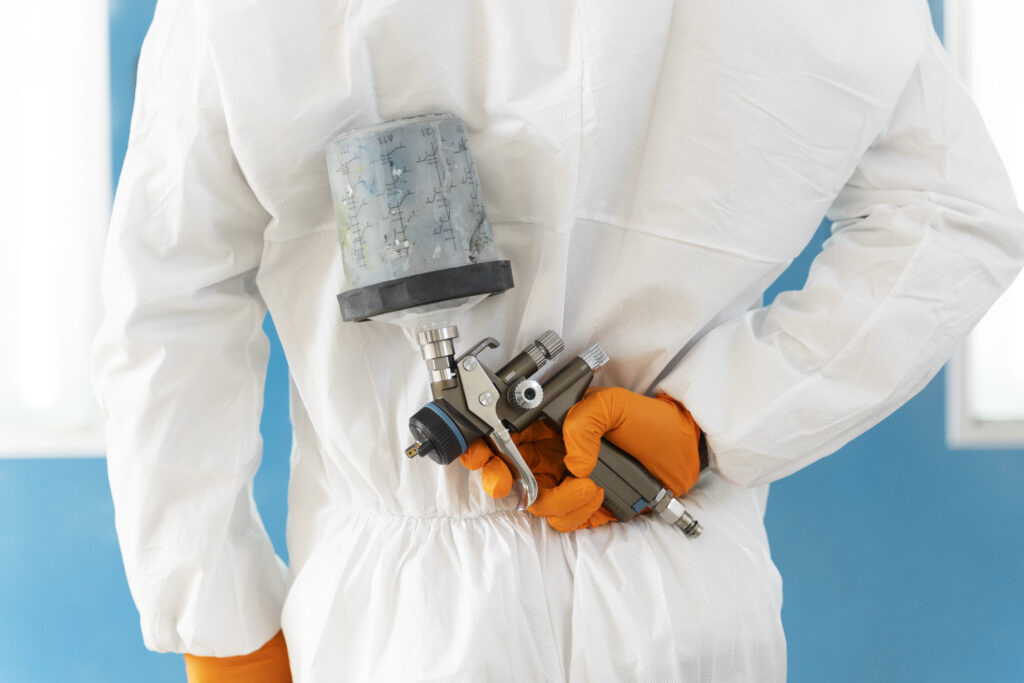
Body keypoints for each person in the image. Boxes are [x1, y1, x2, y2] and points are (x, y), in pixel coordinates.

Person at [92, 1, 1024, 681]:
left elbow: (169, 294)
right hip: (684, 604)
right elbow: (954, 212)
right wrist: (707, 423)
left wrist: (225, 632)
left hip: (401, 630)